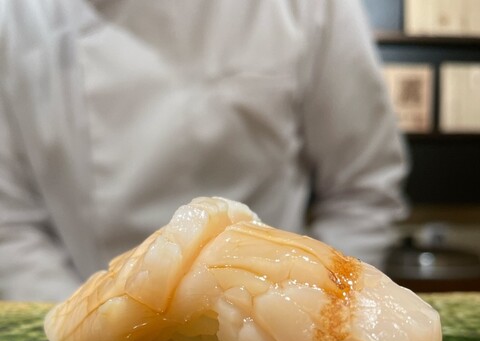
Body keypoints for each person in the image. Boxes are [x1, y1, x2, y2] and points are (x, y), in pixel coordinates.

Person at [0, 0, 408, 302]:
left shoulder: (309, 7)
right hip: (85, 334)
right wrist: (80, 327)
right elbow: (10, 222)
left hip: (268, 332)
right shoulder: (19, 16)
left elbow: (365, 188)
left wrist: (308, 310)